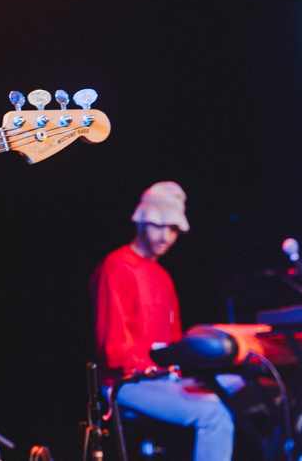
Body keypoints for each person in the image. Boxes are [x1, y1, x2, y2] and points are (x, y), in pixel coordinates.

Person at [89, 181, 237, 461]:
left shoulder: (162, 276)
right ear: (143, 220)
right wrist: (161, 368)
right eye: (160, 225)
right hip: (126, 383)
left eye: (174, 229)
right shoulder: (117, 266)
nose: (167, 236)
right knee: (212, 413)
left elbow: (174, 340)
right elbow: (114, 350)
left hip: (164, 377)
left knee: (245, 387)